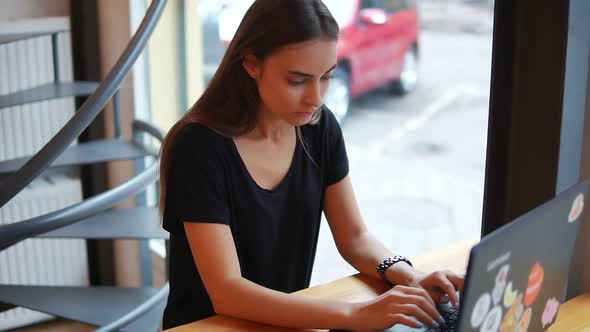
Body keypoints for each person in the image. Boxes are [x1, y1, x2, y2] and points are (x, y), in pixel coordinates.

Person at [159, 0, 464, 330]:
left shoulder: (320, 129)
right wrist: (357, 315)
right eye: (297, 80)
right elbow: (227, 292)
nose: (315, 98)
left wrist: (409, 277)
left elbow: (355, 237)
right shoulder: (200, 148)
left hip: (282, 322)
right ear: (251, 64)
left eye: (326, 77)